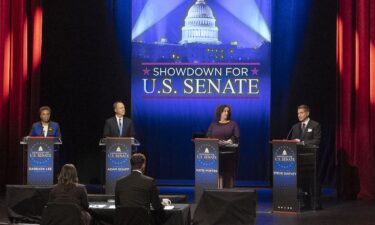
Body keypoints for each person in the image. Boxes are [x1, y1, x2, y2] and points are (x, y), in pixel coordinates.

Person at [115, 153, 165, 224]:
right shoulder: (150, 181)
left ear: (131, 165)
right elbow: (157, 207)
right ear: (143, 165)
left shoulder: (119, 182)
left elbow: (117, 205)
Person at [290, 104, 322, 210]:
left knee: (313, 181)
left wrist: (303, 142)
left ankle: (316, 203)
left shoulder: (315, 125)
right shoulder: (295, 127)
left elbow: (317, 140)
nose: (299, 115)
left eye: (301, 113)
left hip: (312, 158)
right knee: (302, 181)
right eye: (298, 113)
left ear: (307, 113)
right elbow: (293, 140)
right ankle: (305, 203)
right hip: (299, 159)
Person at [207, 104, 240, 188]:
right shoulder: (213, 124)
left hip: (230, 153)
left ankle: (229, 192)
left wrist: (230, 140)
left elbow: (236, 136)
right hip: (215, 153)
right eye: (224, 111)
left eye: (227, 111)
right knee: (218, 174)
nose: (226, 113)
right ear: (219, 112)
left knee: (228, 174)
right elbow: (208, 136)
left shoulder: (233, 124)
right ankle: (218, 191)